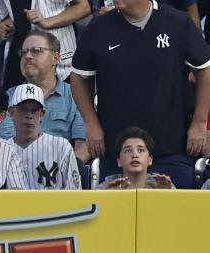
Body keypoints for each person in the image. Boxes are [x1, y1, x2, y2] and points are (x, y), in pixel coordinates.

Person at [71, 0, 210, 187]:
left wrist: (199, 123)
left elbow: (205, 70)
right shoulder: (98, 28)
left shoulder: (178, 22)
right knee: (116, 215)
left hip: (171, 150)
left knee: (173, 214)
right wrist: (91, 123)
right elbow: (79, 76)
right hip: (117, 154)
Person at [0, 30, 88, 162]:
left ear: (55, 58)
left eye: (36, 51)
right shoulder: (7, 98)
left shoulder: (76, 96)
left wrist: (60, 173)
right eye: (24, 52)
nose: (28, 56)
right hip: (16, 173)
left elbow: (83, 148)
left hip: (60, 175)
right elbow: (5, 145)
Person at [8, 83, 81, 189]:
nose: (29, 116)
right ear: (12, 112)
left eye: (34, 110)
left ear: (42, 114)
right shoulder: (2, 150)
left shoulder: (61, 147)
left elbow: (75, 193)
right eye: (24, 109)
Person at [0, 0, 90, 84]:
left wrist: (48, 21)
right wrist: (6, 24)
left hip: (58, 62)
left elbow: (83, 7)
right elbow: (6, 12)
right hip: (18, 58)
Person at [96, 126, 175, 189]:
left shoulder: (163, 185)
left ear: (150, 160)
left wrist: (166, 196)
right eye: (128, 151)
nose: (135, 155)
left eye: (140, 150)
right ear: (119, 161)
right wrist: (108, 198)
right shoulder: (108, 186)